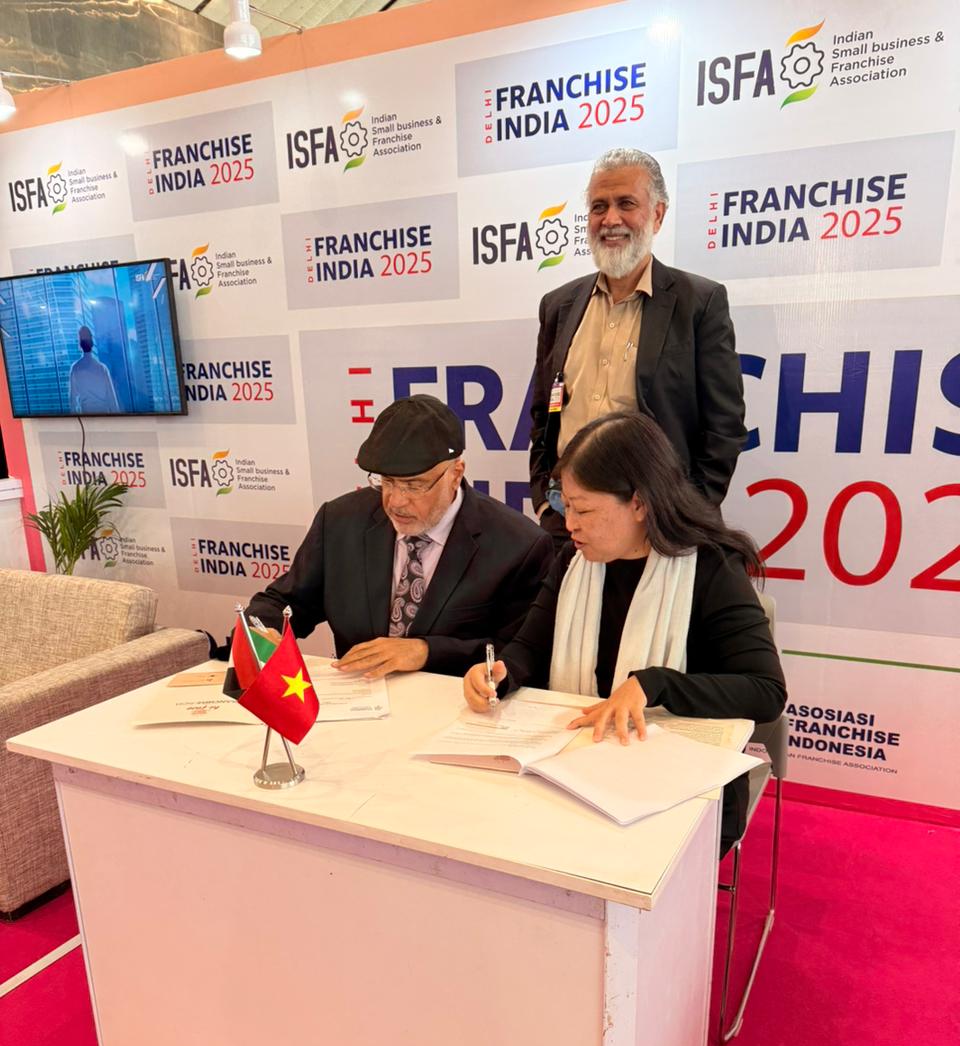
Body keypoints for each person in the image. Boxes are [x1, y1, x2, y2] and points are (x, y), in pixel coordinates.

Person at [466, 412, 786, 852]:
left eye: (584, 510)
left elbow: (765, 691)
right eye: (565, 505)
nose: (570, 523)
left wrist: (654, 685)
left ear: (639, 503)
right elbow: (529, 648)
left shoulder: (710, 568)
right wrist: (502, 673)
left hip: (681, 788)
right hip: (576, 768)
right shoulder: (574, 561)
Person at [248, 394, 554, 679]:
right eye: (387, 482)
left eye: (414, 485)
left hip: (458, 708)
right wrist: (263, 632)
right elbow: (284, 602)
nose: (395, 501)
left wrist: (427, 651)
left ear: (456, 473)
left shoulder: (518, 545)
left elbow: (522, 655)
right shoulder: (341, 521)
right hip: (357, 702)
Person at [530, 147, 747, 548]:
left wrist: (685, 512)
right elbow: (545, 411)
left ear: (657, 214)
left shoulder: (699, 303)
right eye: (599, 207)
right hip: (567, 523)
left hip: (658, 526)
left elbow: (724, 426)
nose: (610, 219)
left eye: (626, 204)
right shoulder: (558, 306)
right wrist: (545, 500)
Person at [68, 325, 120, 414]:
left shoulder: (75, 368)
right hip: (104, 414)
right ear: (92, 343)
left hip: (86, 416)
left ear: (80, 344)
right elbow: (112, 399)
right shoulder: (102, 368)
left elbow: (73, 401)